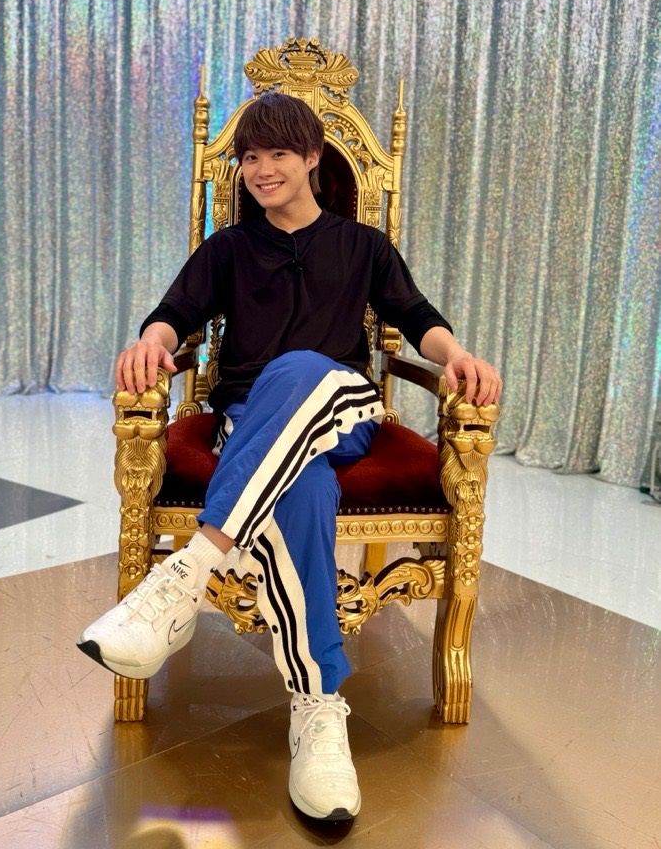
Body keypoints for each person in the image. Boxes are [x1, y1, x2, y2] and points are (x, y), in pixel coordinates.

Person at [77, 91, 502, 822]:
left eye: (278, 153)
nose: (261, 169)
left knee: (302, 366)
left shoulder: (362, 246)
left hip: (345, 408)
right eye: (250, 156)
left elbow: (416, 318)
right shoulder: (228, 249)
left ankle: (188, 573)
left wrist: (456, 355)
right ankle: (318, 706)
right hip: (251, 424)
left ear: (312, 159)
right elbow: (174, 316)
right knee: (301, 489)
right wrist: (150, 342)